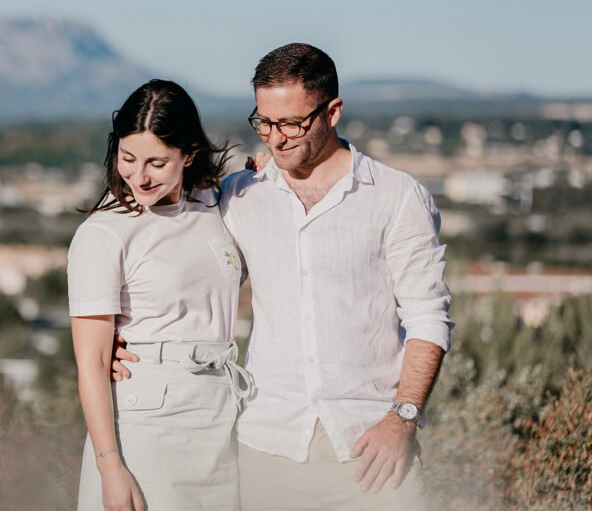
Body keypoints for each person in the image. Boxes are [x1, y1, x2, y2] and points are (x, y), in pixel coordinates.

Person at [114, 44, 452, 510]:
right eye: (265, 123)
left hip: (372, 448)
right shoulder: (239, 196)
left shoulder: (397, 198)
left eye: (292, 124)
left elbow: (428, 317)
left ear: (332, 112)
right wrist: (126, 336)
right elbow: (194, 282)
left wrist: (403, 419)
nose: (276, 139)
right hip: (266, 448)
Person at [68, 79, 253, 511]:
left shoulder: (215, 204)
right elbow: (92, 362)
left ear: (189, 154)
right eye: (128, 158)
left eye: (157, 162)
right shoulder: (102, 233)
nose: (139, 175)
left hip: (222, 415)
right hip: (145, 422)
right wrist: (109, 467)